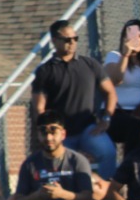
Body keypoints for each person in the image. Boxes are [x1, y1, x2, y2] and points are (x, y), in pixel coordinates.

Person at [32, 20, 120, 179]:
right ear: (54, 41)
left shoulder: (90, 64)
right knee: (61, 168)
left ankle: (107, 194)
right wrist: (48, 133)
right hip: (61, 133)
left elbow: (110, 93)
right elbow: (39, 108)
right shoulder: (45, 71)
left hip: (89, 128)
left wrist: (106, 119)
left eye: (75, 38)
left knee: (107, 152)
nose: (72, 43)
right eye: (67, 39)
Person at [103, 19, 140, 160]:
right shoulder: (114, 56)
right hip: (115, 113)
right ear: (124, 38)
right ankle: (128, 168)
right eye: (132, 35)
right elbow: (116, 79)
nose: (137, 40)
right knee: (136, 127)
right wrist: (125, 54)